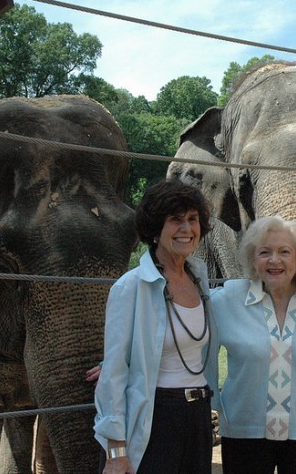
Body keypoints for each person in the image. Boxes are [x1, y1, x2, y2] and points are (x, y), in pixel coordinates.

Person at [93, 179, 218, 474]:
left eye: (192, 219)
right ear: (154, 228)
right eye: (175, 220)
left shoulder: (201, 281)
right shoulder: (130, 287)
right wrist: (116, 451)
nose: (186, 229)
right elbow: (113, 374)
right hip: (155, 419)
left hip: (199, 417)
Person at [207, 216, 296, 474]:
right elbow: (182, 331)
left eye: (284, 252)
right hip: (244, 431)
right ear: (252, 259)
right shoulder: (227, 298)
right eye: (264, 252)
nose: (274, 260)